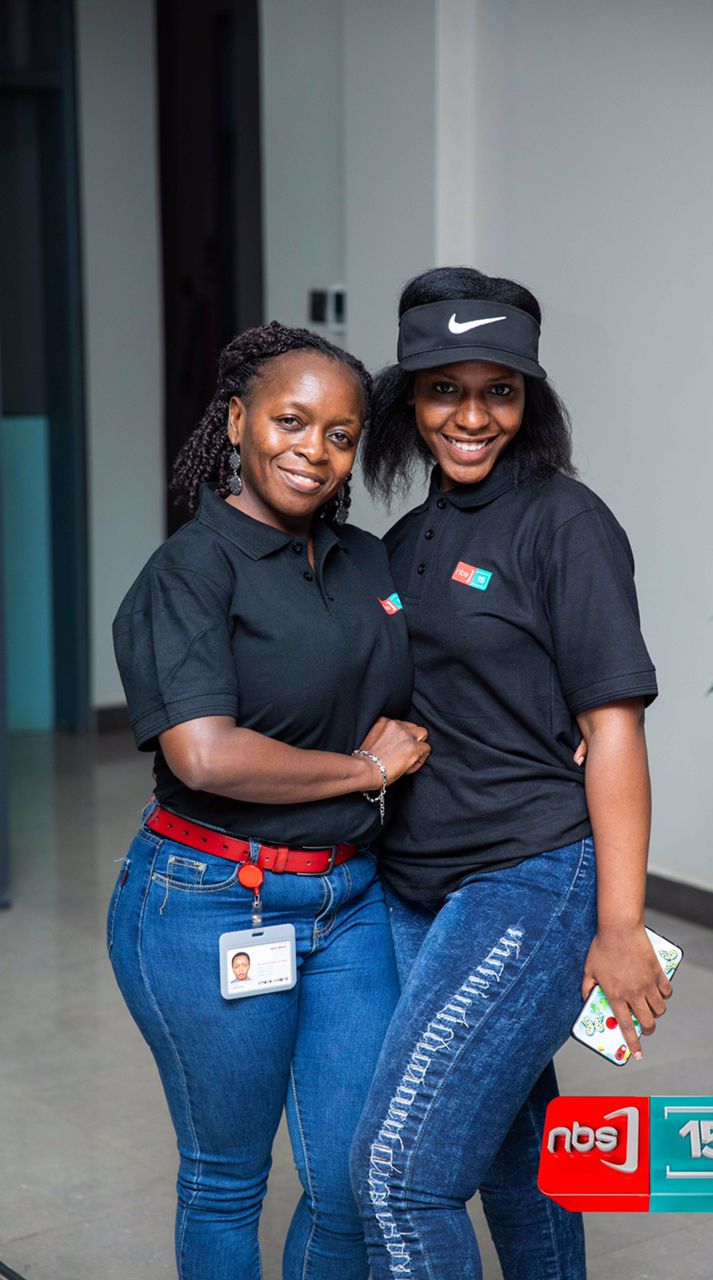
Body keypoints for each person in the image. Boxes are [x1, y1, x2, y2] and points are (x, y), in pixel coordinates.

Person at [350, 267, 671, 1280]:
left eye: (500, 390)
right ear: (409, 398)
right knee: (513, 1151)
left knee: (397, 1175)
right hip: (416, 882)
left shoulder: (566, 523)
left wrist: (619, 923)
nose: (471, 415)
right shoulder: (404, 540)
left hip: (527, 873)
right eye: (444, 389)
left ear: (530, 398)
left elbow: (613, 727)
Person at [107, 322, 431, 1280]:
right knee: (226, 1181)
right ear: (238, 422)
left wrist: (560, 718)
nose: (314, 450)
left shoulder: (365, 560)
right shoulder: (189, 571)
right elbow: (206, 755)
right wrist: (366, 771)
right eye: (291, 421)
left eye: (340, 434)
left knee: (354, 1180)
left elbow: (431, 679)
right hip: (212, 898)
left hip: (349, 897)